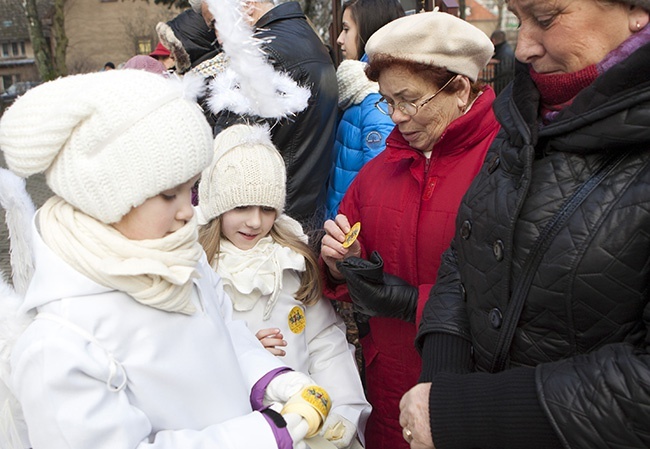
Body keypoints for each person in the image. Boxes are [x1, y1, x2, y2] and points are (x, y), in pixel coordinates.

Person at [0, 69, 332, 449]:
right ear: (108, 195)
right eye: (170, 194)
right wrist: (263, 435)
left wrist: (271, 379)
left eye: (190, 190)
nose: (189, 211)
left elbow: (223, 332)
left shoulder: (180, 257)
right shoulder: (60, 344)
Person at [399, 1, 650, 448]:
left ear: (636, 10)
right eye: (518, 20)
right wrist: (440, 376)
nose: (525, 47)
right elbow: (468, 248)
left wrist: (463, 412)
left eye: (548, 18)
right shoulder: (525, 116)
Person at [319, 12, 500, 449]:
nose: (396, 116)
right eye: (387, 101)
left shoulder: (504, 164)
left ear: (459, 89)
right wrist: (343, 264)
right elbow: (345, 267)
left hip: (468, 399)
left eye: (408, 100)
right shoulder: (377, 172)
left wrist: (412, 304)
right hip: (388, 397)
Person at [196, 123, 371, 448]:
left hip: (306, 423)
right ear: (216, 205)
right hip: (238, 431)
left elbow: (324, 342)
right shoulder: (198, 269)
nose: (255, 222)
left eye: (266, 209)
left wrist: (343, 412)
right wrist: (243, 352)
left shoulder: (291, 262)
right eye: (241, 207)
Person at [196, 0, 338, 233]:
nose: (219, 39)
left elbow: (229, 155)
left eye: (217, 22)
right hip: (291, 218)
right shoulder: (303, 38)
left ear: (248, 5)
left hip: (266, 226)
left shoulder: (262, 54)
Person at [324, 0, 404, 221]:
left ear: (369, 32)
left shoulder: (375, 99)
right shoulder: (360, 91)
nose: (340, 38)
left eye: (347, 29)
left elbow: (381, 188)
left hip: (352, 232)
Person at [489, 30, 515, 95]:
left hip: (503, 86)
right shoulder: (505, 49)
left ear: (493, 40)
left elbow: (504, 73)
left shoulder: (503, 52)